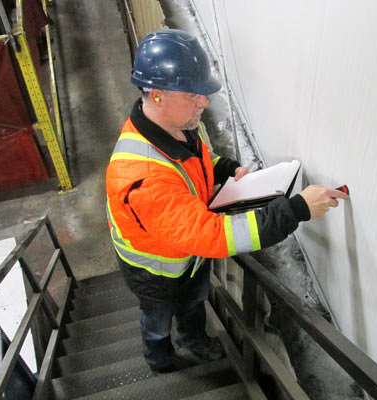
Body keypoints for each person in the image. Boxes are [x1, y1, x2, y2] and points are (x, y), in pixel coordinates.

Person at [105, 29, 348, 373]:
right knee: (158, 319)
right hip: (154, 273)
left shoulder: (180, 125)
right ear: (156, 96)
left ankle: (194, 341)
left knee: (193, 305)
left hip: (186, 259)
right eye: (193, 95)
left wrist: (227, 168)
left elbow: (199, 160)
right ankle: (159, 358)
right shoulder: (143, 178)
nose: (203, 103)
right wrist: (297, 209)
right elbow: (217, 237)